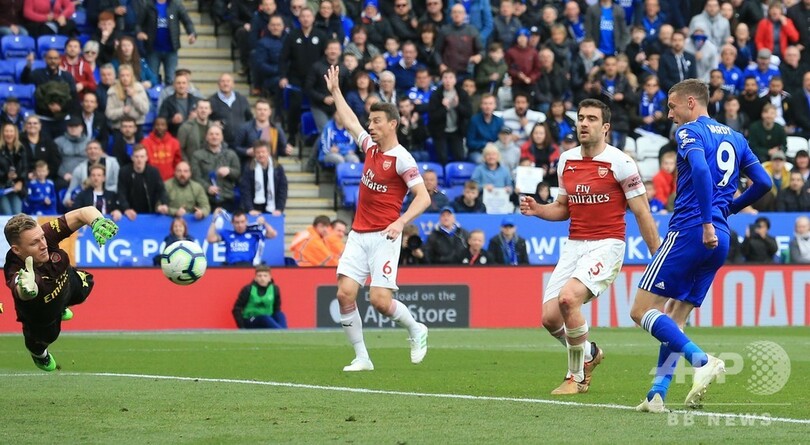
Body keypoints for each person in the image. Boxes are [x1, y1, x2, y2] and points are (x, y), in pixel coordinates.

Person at [629, 79, 771, 413]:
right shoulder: (735, 137)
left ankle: (702, 360)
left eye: (672, 106)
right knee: (675, 318)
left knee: (640, 311)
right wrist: (727, 211)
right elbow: (764, 182)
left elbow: (702, 170)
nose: (669, 114)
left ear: (691, 102)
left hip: (691, 229)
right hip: (720, 236)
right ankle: (657, 394)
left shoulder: (689, 132)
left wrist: (707, 220)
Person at [520, 98, 660, 396]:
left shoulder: (621, 163)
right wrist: (538, 209)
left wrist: (659, 257)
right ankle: (590, 353)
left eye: (592, 119)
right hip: (574, 245)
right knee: (550, 318)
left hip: (607, 244)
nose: (584, 123)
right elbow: (563, 208)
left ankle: (576, 377)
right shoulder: (566, 160)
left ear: (605, 127)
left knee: (568, 298)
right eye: (581, 118)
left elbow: (642, 212)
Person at [324, 64, 430, 372]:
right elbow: (349, 120)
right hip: (358, 234)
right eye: (370, 120)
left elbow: (423, 197)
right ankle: (362, 357)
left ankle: (416, 329)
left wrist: (400, 221)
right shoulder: (370, 148)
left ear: (392, 124)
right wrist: (336, 91)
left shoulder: (403, 159)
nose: (370, 126)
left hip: (385, 236)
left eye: (377, 121)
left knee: (380, 301)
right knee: (344, 293)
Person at [2, 207, 118, 371]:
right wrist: (29, 290)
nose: (43, 245)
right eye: (34, 243)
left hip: (66, 282)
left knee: (86, 284)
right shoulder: (14, 269)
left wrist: (97, 221)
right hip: (42, 311)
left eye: (42, 238)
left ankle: (62, 305)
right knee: (44, 340)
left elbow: (83, 213)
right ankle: (38, 355)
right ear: (16, 249)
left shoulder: (45, 235)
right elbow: (22, 290)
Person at [137, 0, 197, 85]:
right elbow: (138, 23)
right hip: (153, 49)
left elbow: (187, 21)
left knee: (171, 79)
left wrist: (192, 33)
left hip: (171, 49)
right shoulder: (148, 4)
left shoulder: (176, 5)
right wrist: (139, 32)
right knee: (152, 79)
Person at [191, 125, 241, 212]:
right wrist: (207, 187)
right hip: (205, 200)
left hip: (227, 198)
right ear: (206, 137)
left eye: (217, 134)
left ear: (222, 137)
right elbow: (195, 177)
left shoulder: (231, 154)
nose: (214, 137)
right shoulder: (197, 155)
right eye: (211, 134)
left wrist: (229, 171)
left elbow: (238, 174)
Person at [206, 208, 278, 266]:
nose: (240, 225)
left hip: (249, 266)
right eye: (237, 222)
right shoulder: (227, 233)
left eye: (242, 222)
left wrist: (264, 222)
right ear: (232, 223)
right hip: (231, 267)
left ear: (246, 221)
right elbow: (210, 239)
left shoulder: (254, 233)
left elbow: (273, 234)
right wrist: (214, 219)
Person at [63, 139, 120, 209]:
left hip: (110, 200)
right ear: (86, 152)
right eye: (90, 149)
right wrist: (67, 200)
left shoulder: (113, 164)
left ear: (101, 151)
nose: (93, 151)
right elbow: (71, 189)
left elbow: (118, 185)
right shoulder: (79, 169)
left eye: (95, 148)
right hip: (87, 202)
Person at [117, 144, 169, 220]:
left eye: (142, 157)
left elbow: (161, 190)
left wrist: (164, 204)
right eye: (136, 157)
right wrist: (126, 209)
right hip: (130, 213)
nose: (139, 160)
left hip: (151, 213)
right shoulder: (124, 172)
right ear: (132, 158)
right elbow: (121, 193)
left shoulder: (154, 172)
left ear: (146, 158)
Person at [239, 140, 288, 215]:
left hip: (273, 209)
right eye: (258, 152)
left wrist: (279, 209)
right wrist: (250, 209)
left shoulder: (278, 168)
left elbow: (282, 190)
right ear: (254, 154)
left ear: (268, 153)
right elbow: (246, 190)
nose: (261, 155)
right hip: (254, 209)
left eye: (263, 152)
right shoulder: (249, 168)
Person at [105, 64, 150, 131]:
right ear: (119, 77)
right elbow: (109, 113)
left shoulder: (139, 88)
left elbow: (145, 109)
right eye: (122, 75)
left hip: (137, 124)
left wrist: (134, 96)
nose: (125, 78)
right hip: (118, 126)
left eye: (127, 75)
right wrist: (122, 111)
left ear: (131, 76)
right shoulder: (113, 91)